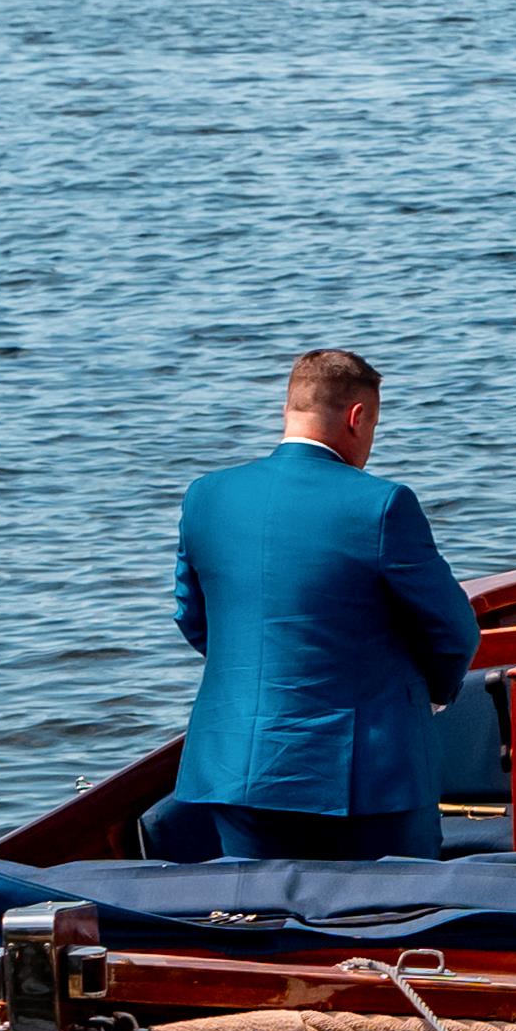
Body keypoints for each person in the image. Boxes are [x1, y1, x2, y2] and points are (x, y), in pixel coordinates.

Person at [155, 345, 475, 865]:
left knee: (258, 910)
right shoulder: (382, 504)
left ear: (288, 408)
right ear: (357, 417)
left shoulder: (206, 497)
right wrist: (429, 695)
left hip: (234, 763)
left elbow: (193, 617)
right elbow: (453, 631)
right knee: (393, 907)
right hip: (363, 777)